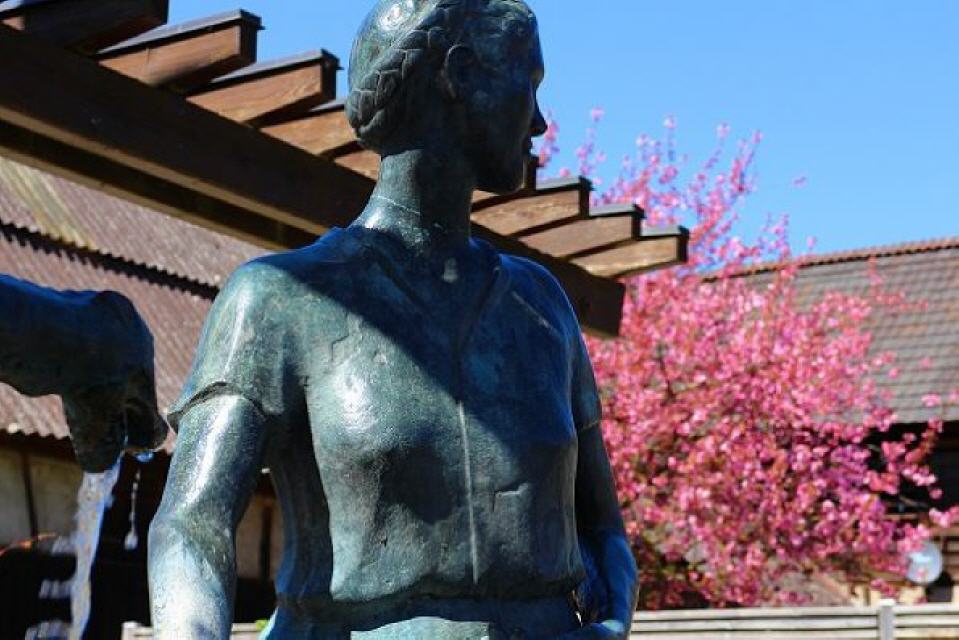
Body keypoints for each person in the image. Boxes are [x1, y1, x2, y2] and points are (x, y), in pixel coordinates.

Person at [148, 1, 637, 637]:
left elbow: (604, 533)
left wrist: (613, 622)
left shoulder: (541, 306)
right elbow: (191, 524)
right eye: (530, 82)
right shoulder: (279, 299)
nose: (541, 121)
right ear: (461, 74)